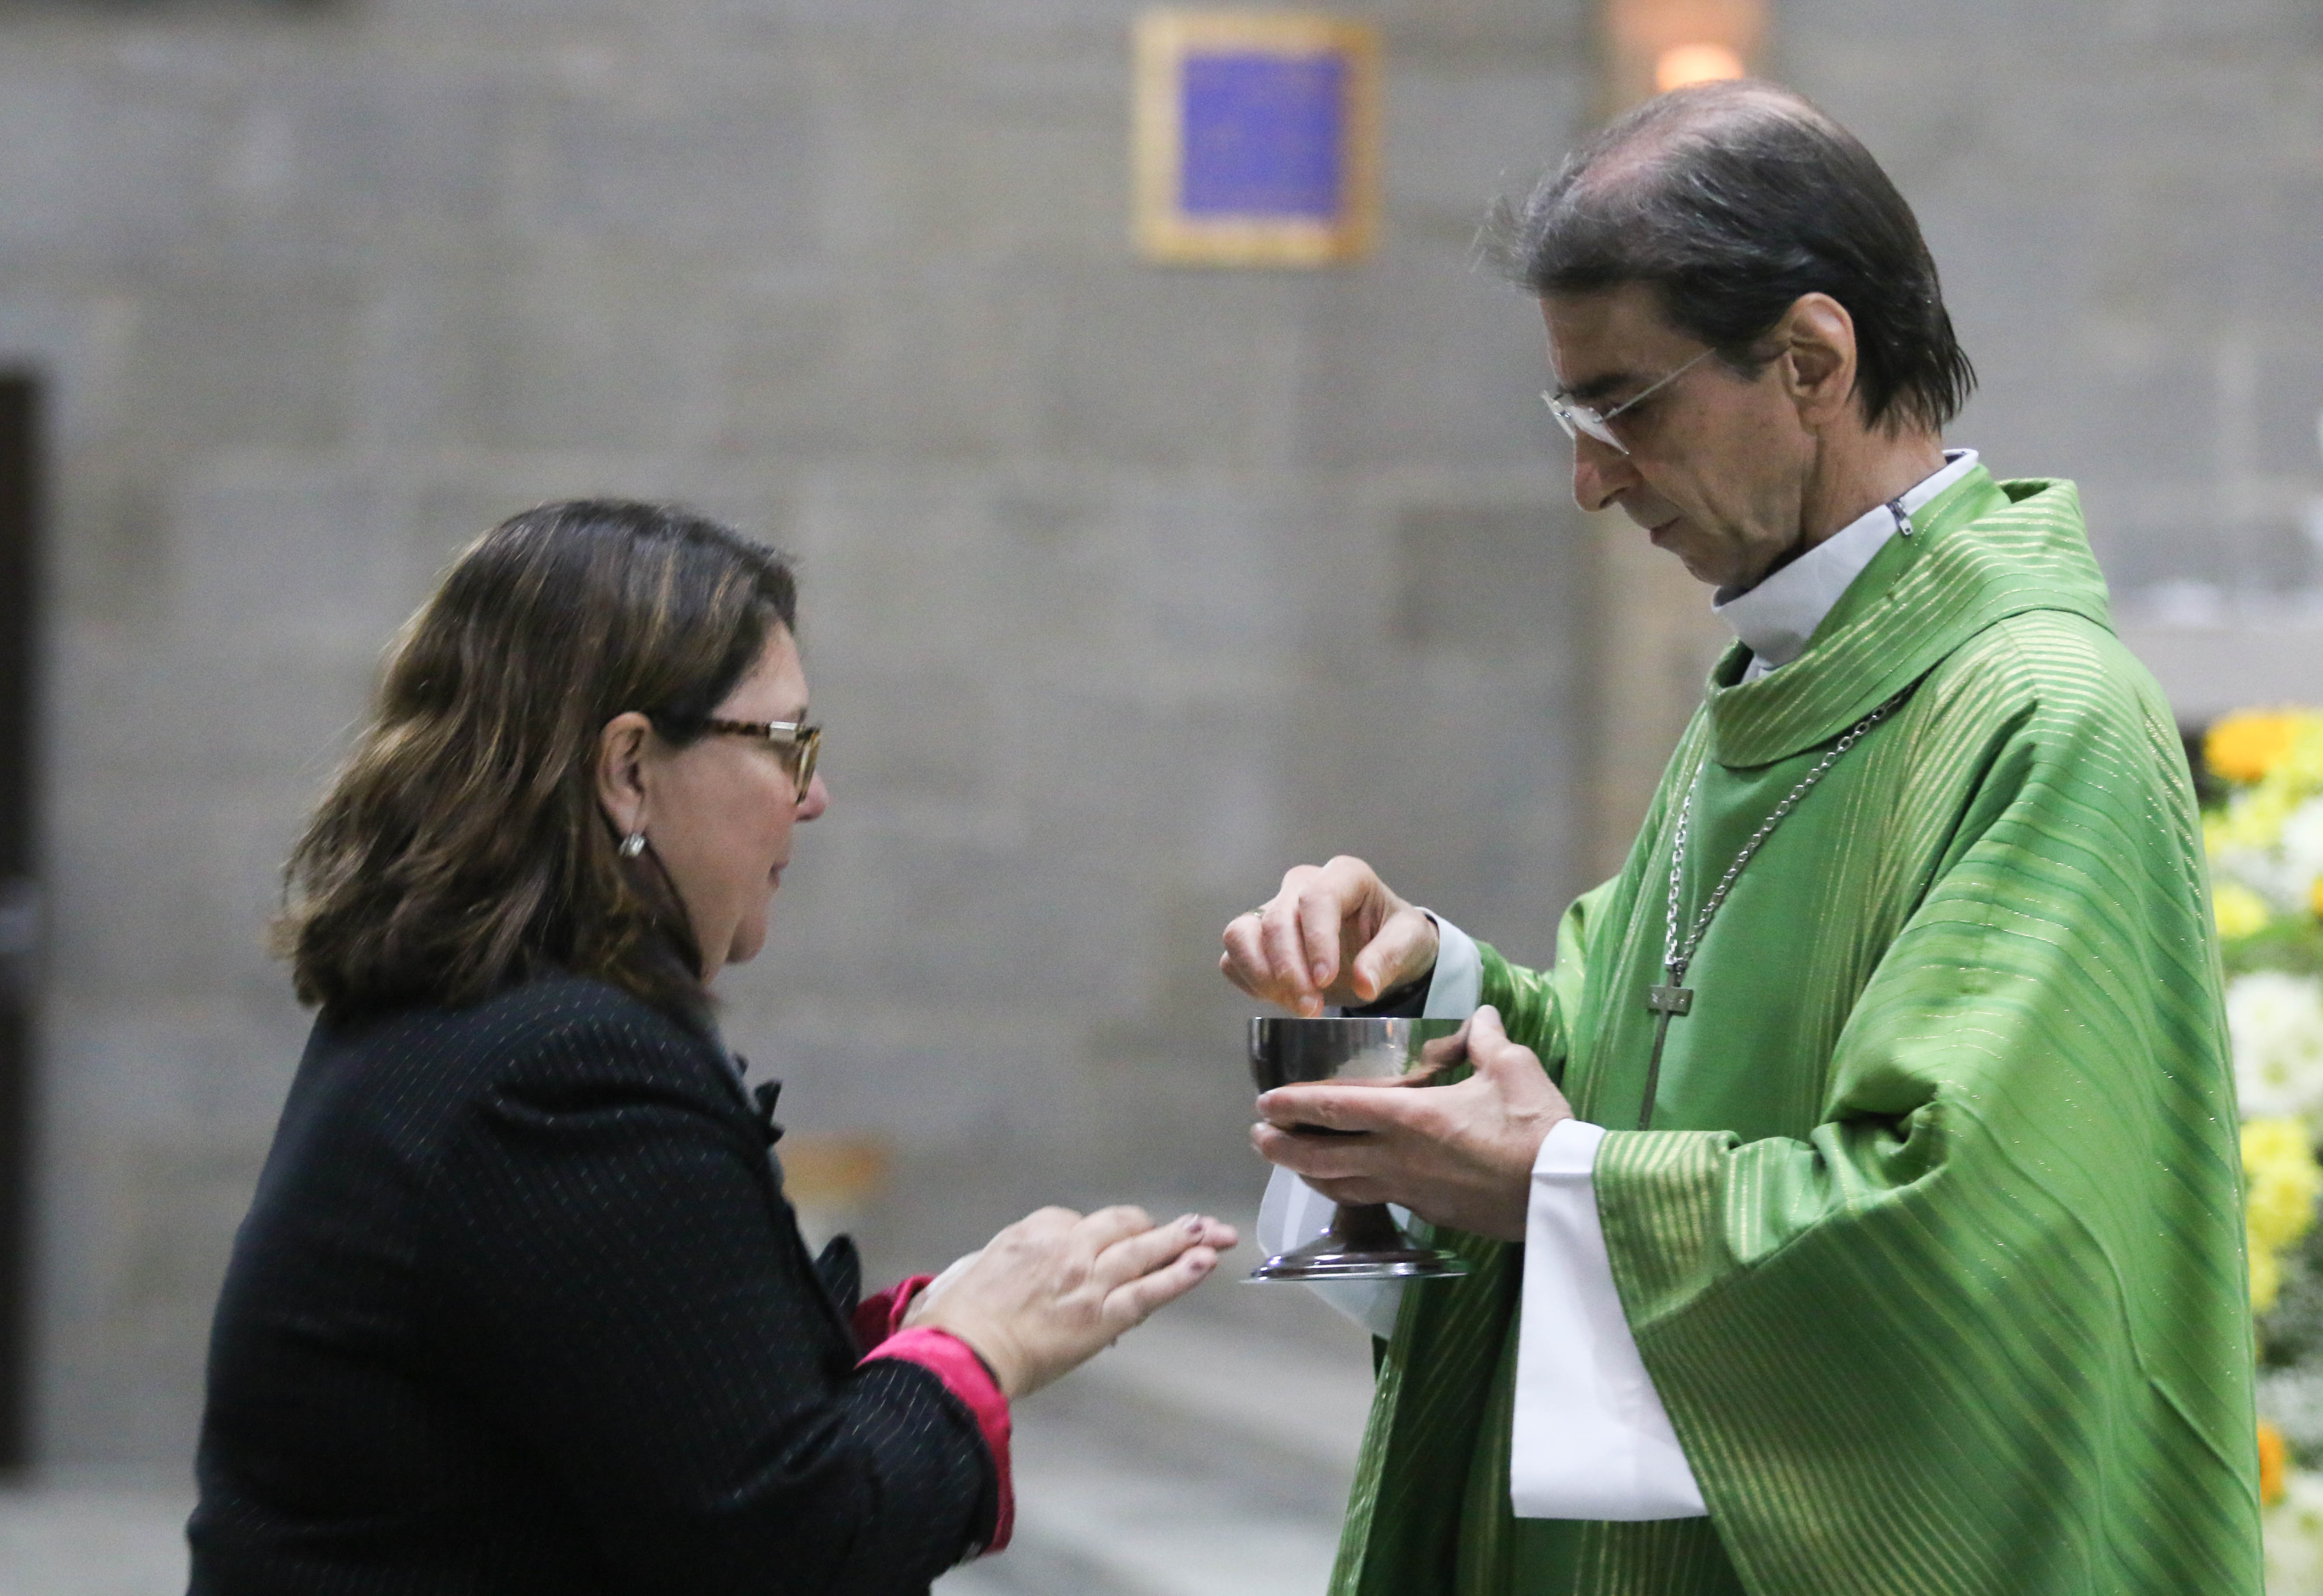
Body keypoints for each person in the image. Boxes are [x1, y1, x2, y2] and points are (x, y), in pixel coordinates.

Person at [1220, 81, 2259, 1596]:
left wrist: (1559, 1187)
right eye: (1573, 420)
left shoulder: (2045, 715)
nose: (1592, 480)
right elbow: (1627, 1060)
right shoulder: (1778, 686)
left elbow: (1957, 1235)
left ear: (1812, 359)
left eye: (1626, 408)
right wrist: (1422, 984)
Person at [189, 499, 1237, 1594]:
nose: (815, 797)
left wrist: (937, 1327)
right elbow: (797, 1550)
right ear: (630, 769)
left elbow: (664, 1417)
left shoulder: (468, 1021)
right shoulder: (565, 1074)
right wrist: (982, 1349)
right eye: (788, 744)